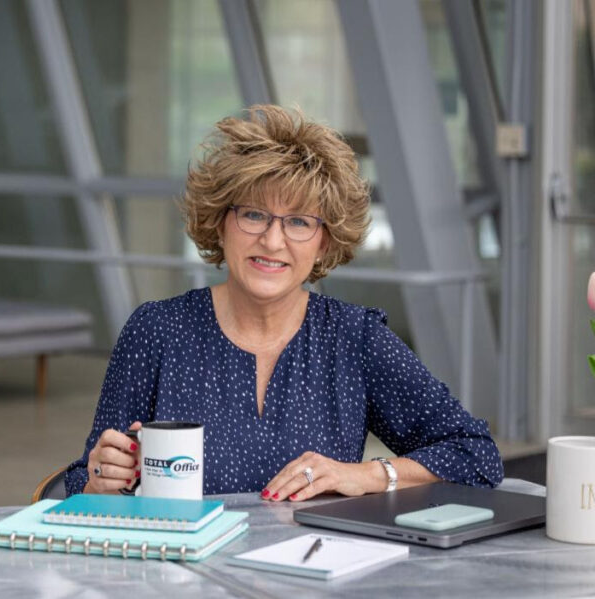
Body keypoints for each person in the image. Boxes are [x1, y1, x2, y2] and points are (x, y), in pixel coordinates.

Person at [64, 105, 503, 501]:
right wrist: (99, 480)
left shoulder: (355, 339)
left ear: (325, 241)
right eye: (253, 214)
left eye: (298, 221)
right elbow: (84, 479)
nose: (272, 241)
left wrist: (366, 474)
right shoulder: (157, 331)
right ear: (219, 223)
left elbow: (475, 454)